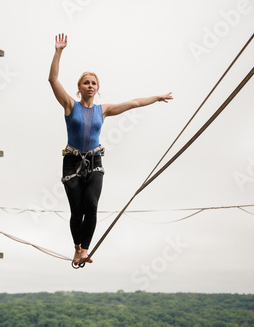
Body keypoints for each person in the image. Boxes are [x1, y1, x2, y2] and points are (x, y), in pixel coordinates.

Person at [48, 33, 173, 266]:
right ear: (79, 88)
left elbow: (133, 103)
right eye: (86, 83)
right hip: (72, 161)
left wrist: (156, 97)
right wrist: (58, 52)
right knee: (77, 210)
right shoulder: (69, 105)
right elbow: (52, 80)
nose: (90, 86)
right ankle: (76, 248)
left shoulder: (102, 111)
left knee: (92, 205)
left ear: (97, 88)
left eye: (93, 83)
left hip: (94, 160)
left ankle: (84, 250)